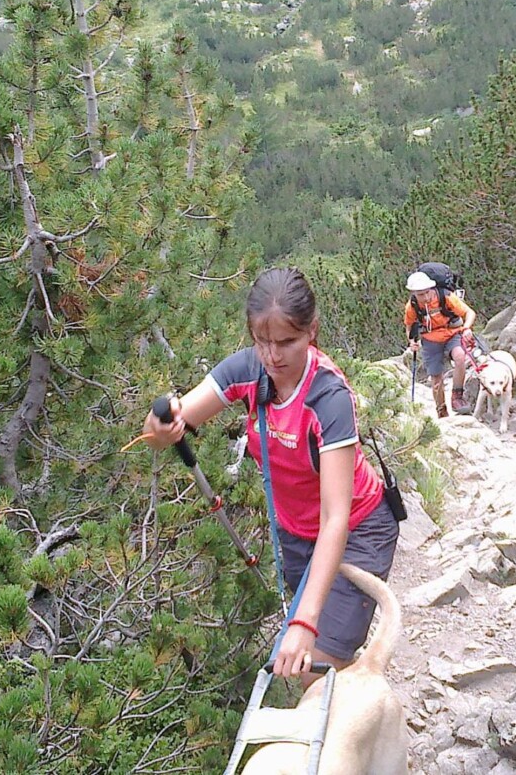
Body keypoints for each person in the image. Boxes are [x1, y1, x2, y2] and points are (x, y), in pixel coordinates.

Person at [139, 267, 399, 680]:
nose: (273, 356)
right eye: (262, 342)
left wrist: (304, 622)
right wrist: (161, 428)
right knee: (301, 666)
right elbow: (169, 428)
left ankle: (357, 731)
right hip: (296, 533)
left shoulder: (328, 398)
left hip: (358, 528)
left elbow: (337, 517)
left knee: (315, 664)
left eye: (287, 342)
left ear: (311, 331)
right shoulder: (248, 370)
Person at [404, 269, 476, 418]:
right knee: (436, 379)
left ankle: (457, 397)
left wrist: (467, 329)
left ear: (431, 288)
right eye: (420, 294)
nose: (424, 297)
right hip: (430, 339)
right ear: (413, 293)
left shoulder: (446, 297)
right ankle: (441, 410)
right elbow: (409, 326)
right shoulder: (412, 306)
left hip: (452, 333)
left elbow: (469, 313)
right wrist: (412, 342)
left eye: (426, 292)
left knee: (460, 356)